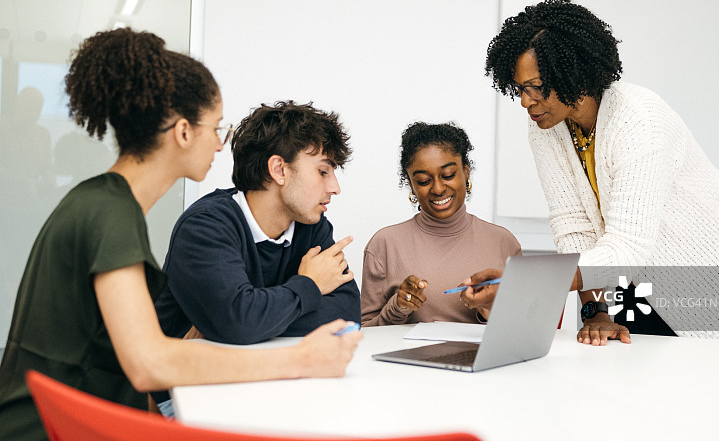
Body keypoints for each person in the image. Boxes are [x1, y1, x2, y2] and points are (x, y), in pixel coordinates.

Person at [0, 28, 362, 441]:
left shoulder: (110, 204)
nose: (221, 145)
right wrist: (300, 358)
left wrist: (241, 325)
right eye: (216, 129)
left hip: (89, 420)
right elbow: (149, 363)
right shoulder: (109, 212)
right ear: (184, 132)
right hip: (51, 428)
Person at [481, 0, 719, 346]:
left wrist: (530, 280)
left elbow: (628, 246)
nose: (526, 102)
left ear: (575, 74)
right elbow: (574, 229)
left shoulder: (638, 119)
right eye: (519, 88)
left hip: (702, 272)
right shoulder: (547, 127)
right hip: (629, 275)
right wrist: (597, 312)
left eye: (536, 87)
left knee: (705, 384)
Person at [154, 101, 360, 346]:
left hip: (263, 372)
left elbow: (347, 312)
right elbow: (239, 322)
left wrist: (255, 317)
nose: (335, 188)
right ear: (279, 169)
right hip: (187, 378)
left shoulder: (311, 225)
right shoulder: (205, 227)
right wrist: (310, 284)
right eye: (323, 172)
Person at [360, 122, 521, 326]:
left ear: (466, 172)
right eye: (424, 181)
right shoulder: (384, 244)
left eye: (448, 175)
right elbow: (364, 335)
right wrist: (398, 308)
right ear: (411, 185)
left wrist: (488, 311)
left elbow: (520, 327)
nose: (437, 189)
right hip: (408, 358)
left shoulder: (503, 242)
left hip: (478, 358)